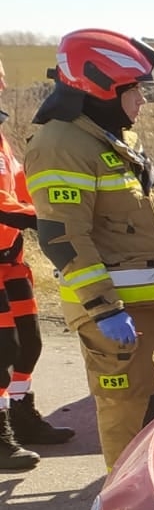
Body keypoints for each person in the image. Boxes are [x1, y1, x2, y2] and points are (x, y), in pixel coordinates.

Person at [24, 30, 154, 470]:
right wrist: (104, 309)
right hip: (116, 315)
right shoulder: (60, 145)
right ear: (99, 87)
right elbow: (64, 238)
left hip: (151, 307)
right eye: (134, 90)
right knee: (131, 419)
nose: (142, 101)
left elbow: (137, 221)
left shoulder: (114, 138)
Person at [0, 58, 75, 470]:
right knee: (2, 350)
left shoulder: (2, 137)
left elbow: (19, 185)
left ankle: (21, 414)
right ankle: (0, 433)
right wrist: (38, 217)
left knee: (30, 343)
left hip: (11, 260)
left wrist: (47, 203)